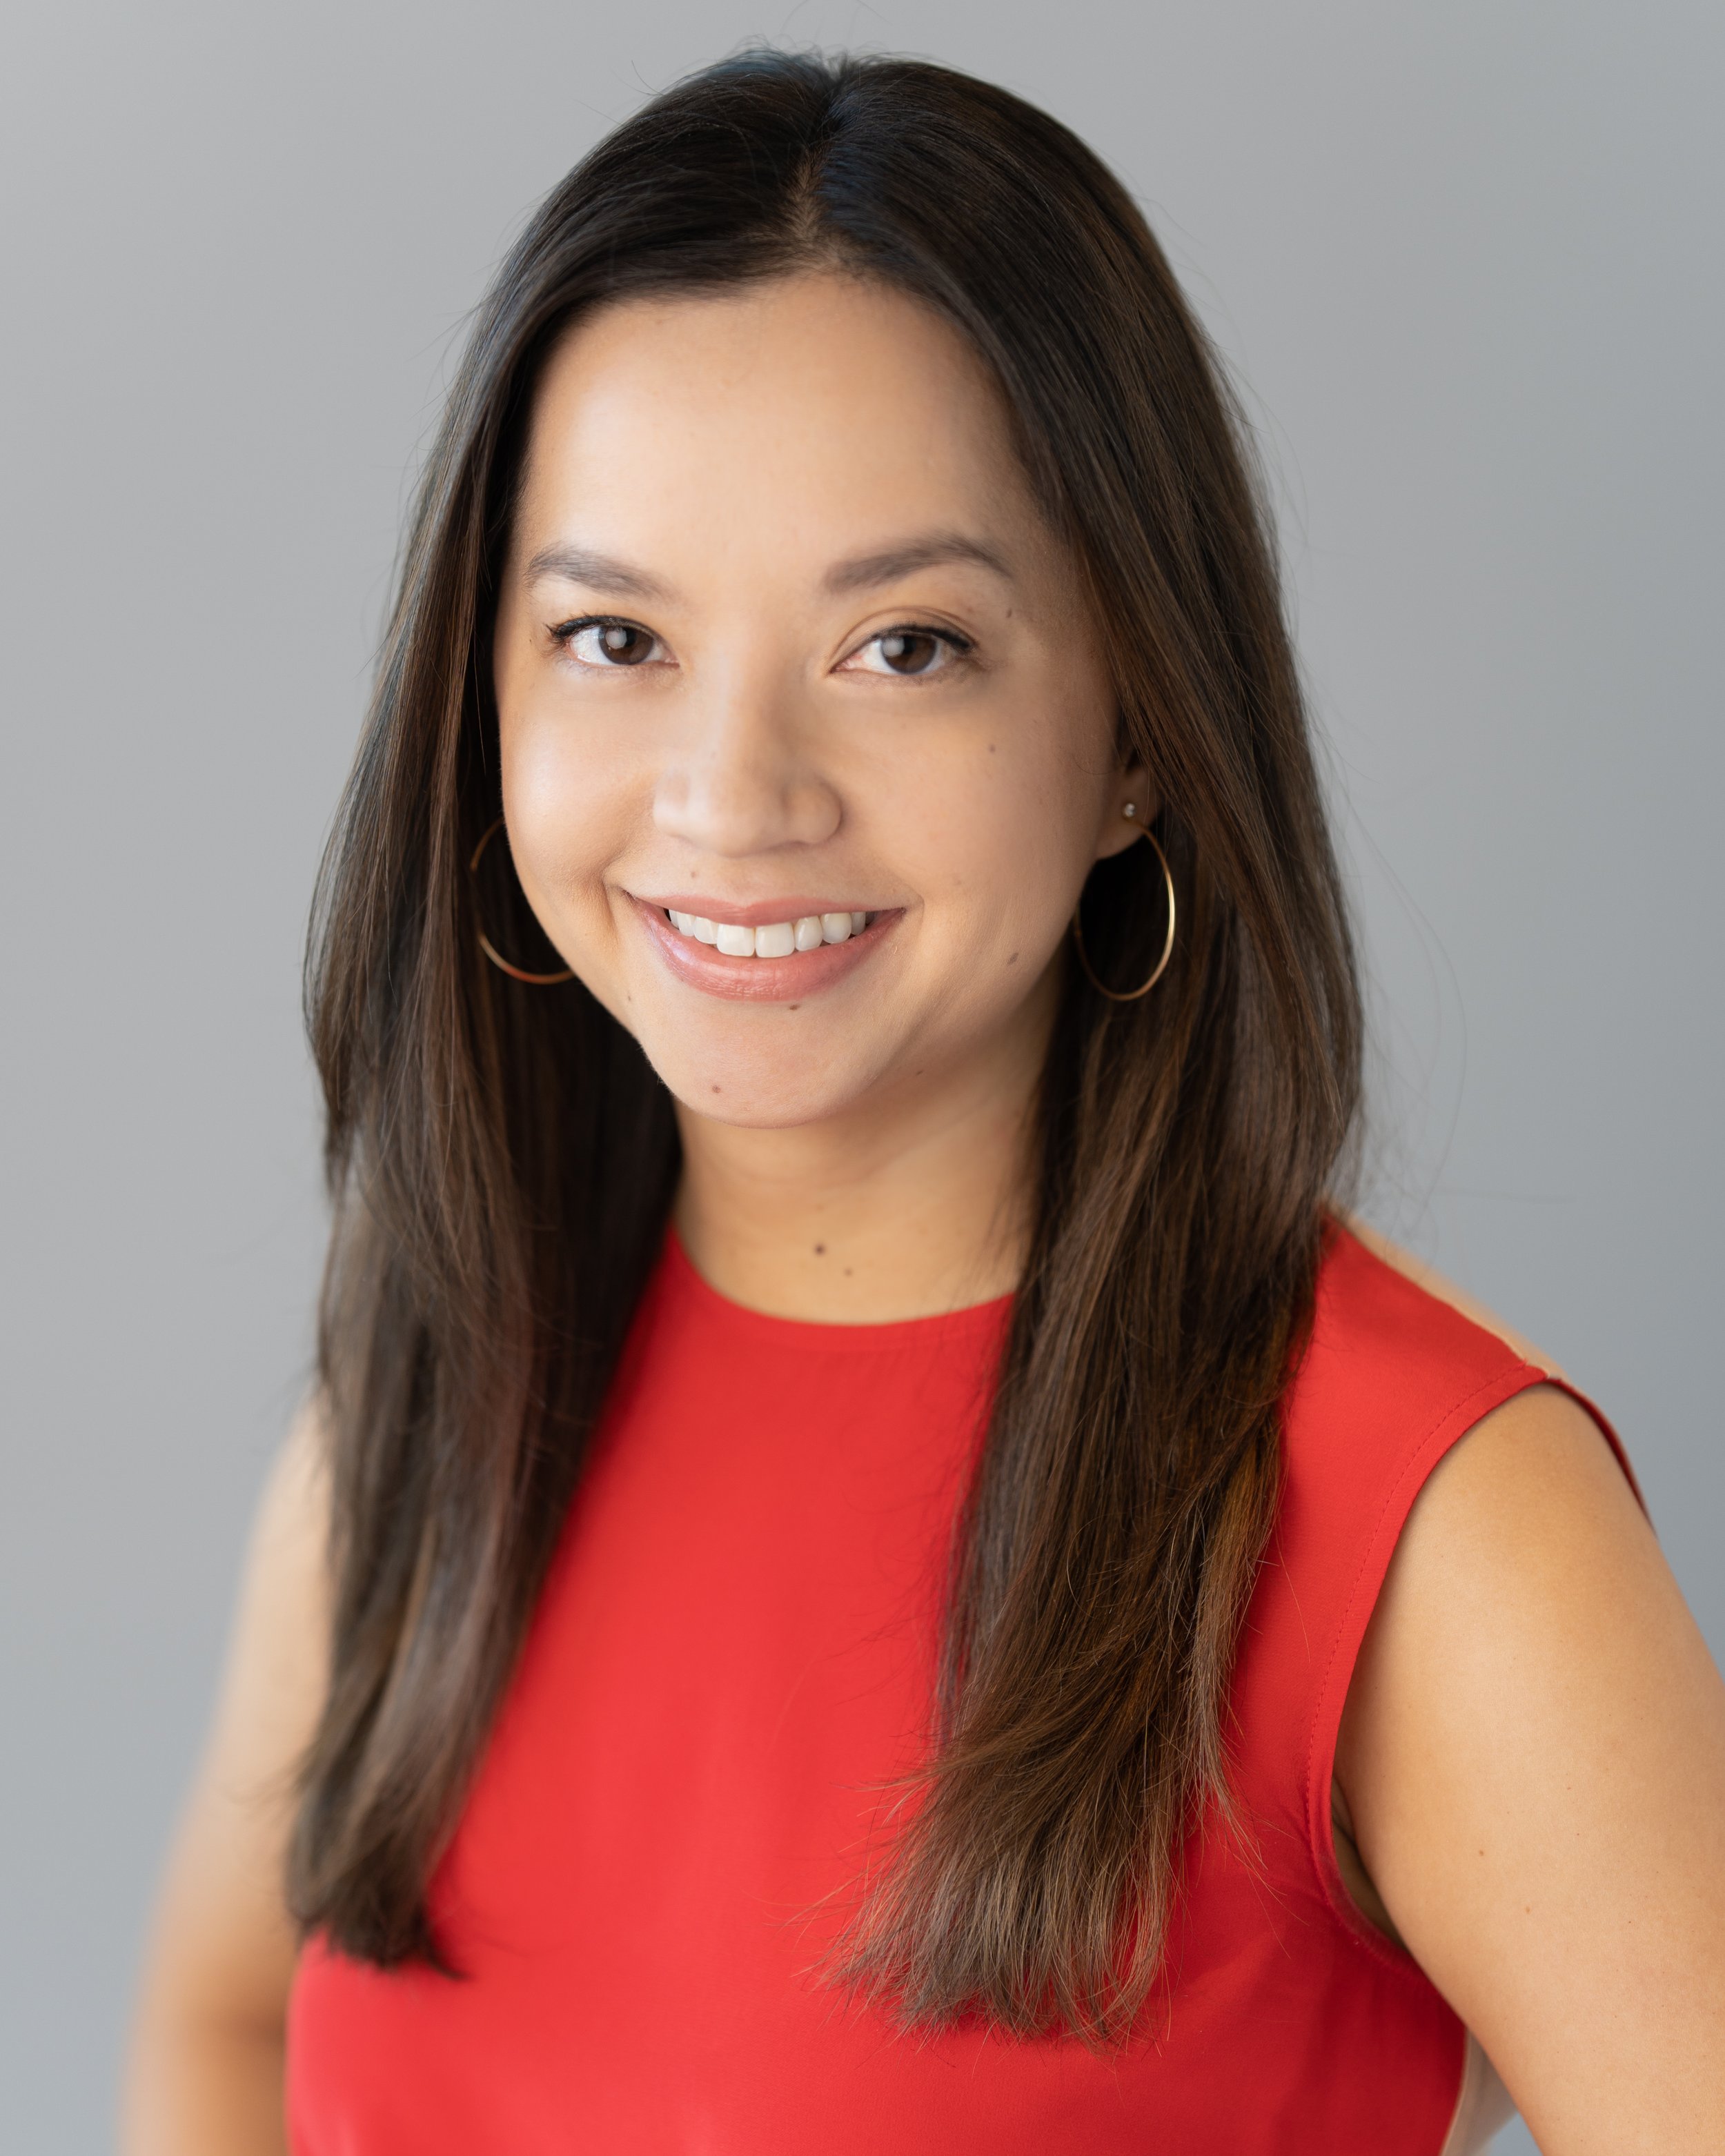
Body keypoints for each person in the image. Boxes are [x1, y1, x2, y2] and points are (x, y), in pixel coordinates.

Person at [122, 50, 1725, 2156]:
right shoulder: (427, 1407)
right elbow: (226, 2033)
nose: (734, 801)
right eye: (614, 636)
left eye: (905, 648)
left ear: (1138, 728)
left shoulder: (1429, 1527)